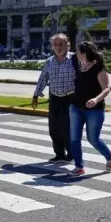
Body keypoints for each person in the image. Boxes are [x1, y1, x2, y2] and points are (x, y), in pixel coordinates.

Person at [68, 41, 111, 176]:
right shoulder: (79, 67)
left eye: (78, 52)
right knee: (74, 138)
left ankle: (110, 155)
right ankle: (79, 167)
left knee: (93, 139)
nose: (76, 54)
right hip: (75, 107)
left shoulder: (99, 68)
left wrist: (96, 99)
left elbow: (106, 88)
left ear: (84, 53)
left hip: (94, 110)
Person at [32, 33, 76, 162]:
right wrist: (36, 95)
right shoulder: (49, 61)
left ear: (68, 45)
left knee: (66, 127)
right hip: (55, 98)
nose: (58, 47)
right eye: (55, 44)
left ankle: (71, 153)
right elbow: (43, 78)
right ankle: (59, 154)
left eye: (61, 44)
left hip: (70, 98)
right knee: (54, 128)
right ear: (52, 46)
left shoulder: (75, 59)